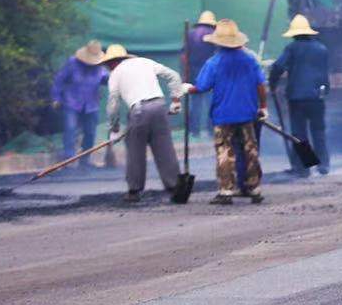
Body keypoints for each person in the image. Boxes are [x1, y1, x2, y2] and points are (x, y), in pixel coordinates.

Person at [100, 44, 188, 203]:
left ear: (111, 62)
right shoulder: (145, 62)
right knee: (165, 148)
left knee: (135, 150)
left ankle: (134, 191)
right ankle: (175, 187)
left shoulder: (116, 74)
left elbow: (113, 104)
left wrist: (114, 129)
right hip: (159, 107)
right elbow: (174, 76)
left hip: (139, 111)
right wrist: (176, 100)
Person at [192, 18, 267, 205]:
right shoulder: (250, 59)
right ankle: (254, 188)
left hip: (223, 115)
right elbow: (261, 85)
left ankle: (226, 191)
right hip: (247, 113)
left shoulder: (214, 62)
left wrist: (187, 88)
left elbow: (202, 87)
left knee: (225, 151)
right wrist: (263, 106)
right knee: (250, 150)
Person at [268, 14, 331, 176]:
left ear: (294, 34)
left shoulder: (292, 49)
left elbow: (278, 66)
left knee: (299, 133)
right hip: (317, 97)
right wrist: (326, 91)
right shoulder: (321, 49)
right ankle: (323, 165)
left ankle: (305, 167)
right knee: (318, 130)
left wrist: (272, 83)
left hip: (297, 98)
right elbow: (325, 75)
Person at [51, 40, 108, 170]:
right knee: (70, 128)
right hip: (72, 101)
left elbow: (105, 78)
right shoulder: (72, 63)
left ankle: (85, 159)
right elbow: (59, 80)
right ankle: (69, 159)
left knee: (90, 132)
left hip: (91, 104)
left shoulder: (99, 66)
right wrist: (56, 97)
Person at [182, 10, 217, 134]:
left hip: (193, 72)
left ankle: (194, 130)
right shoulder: (214, 34)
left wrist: (185, 75)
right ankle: (211, 129)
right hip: (210, 73)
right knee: (211, 102)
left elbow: (184, 56)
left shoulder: (190, 34)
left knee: (195, 103)